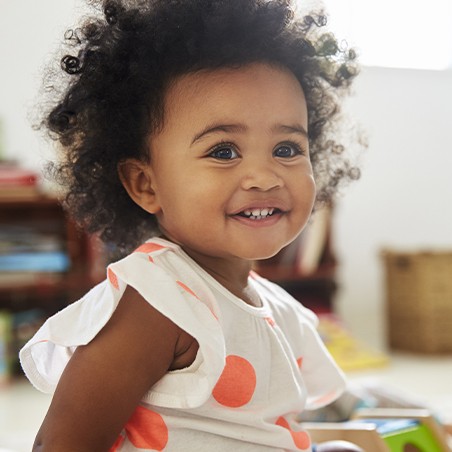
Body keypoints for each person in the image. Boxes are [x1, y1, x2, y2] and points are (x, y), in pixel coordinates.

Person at [20, 0, 364, 450]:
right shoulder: (157, 302)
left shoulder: (273, 305)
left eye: (286, 148)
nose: (265, 176)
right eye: (223, 151)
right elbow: (62, 444)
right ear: (145, 184)